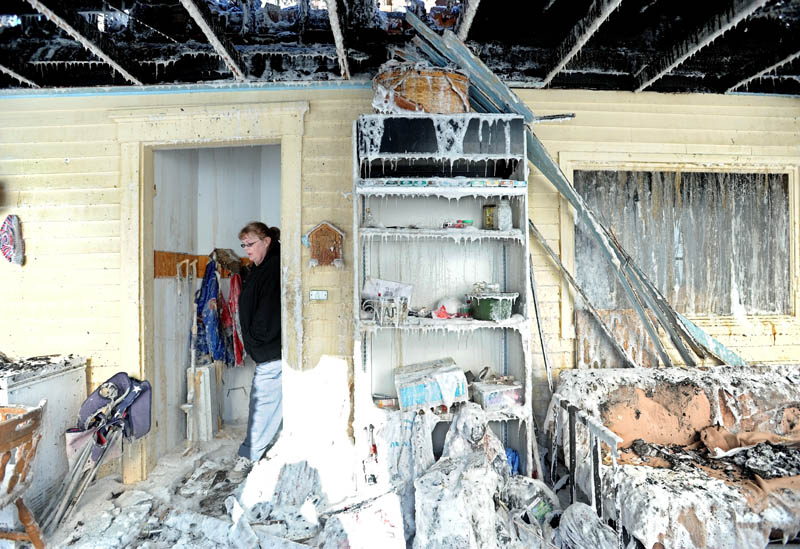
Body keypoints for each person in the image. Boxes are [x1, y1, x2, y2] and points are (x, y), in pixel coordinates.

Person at [232, 222, 283, 475]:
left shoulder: (272, 268)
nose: (246, 249)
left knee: (262, 404)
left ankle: (249, 455)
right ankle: (257, 451)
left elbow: (269, 310)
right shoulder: (261, 267)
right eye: (243, 245)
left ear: (266, 241)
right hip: (266, 349)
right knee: (266, 405)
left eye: (250, 244)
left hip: (270, 351)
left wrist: (254, 338)